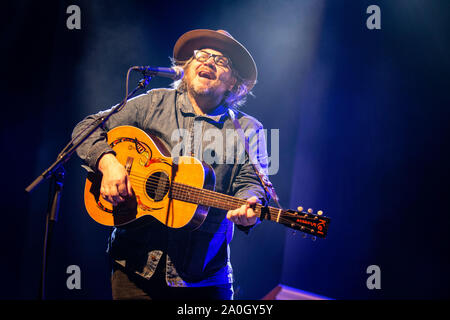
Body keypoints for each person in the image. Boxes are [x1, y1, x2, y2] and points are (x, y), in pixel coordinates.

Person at [72, 29, 270, 300]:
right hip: (133, 268)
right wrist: (108, 163)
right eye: (202, 55)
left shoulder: (248, 129)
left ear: (233, 81)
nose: (209, 62)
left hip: (204, 280)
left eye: (221, 60)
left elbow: (252, 183)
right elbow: (88, 127)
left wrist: (249, 203)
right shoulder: (153, 102)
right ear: (186, 68)